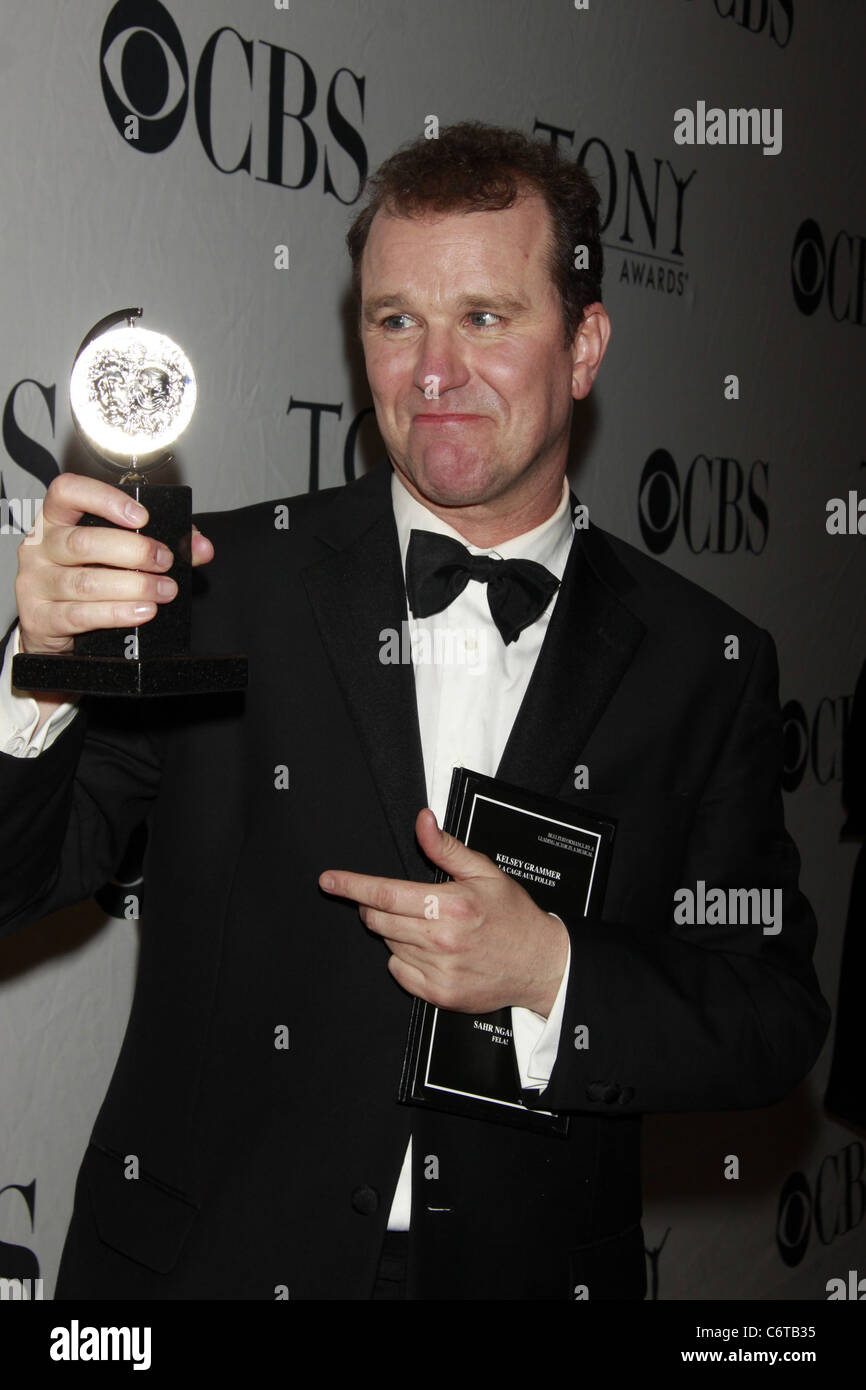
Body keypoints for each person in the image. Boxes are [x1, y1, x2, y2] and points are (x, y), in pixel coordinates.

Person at [0, 123, 829, 1300]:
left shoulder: (704, 659)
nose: (433, 371)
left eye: (485, 318)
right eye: (396, 322)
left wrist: (547, 968)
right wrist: (36, 680)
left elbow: (767, 1014)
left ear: (584, 344)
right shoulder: (213, 584)